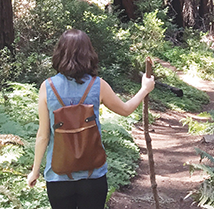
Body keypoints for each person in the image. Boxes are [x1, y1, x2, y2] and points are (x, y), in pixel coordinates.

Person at [26, 28, 156, 209]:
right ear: (88, 54)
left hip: (58, 177)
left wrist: (35, 171)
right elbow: (126, 110)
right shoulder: (98, 85)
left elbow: (43, 135)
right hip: (93, 175)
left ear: (60, 53)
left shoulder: (47, 87)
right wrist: (145, 89)